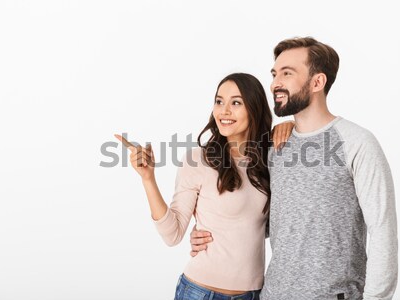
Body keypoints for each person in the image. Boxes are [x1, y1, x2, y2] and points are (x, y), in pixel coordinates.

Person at [190, 37, 398, 300]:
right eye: (275, 74)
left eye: (287, 73)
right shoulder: (274, 147)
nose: (276, 82)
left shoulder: (357, 143)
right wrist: (209, 233)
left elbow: (383, 231)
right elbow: (260, 222)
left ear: (317, 82)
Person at [116, 73, 293, 300]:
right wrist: (148, 178)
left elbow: (262, 226)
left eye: (236, 103)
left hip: (255, 294)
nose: (224, 111)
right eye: (219, 101)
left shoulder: (269, 160)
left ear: (255, 108)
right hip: (201, 293)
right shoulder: (198, 160)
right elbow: (173, 234)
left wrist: (291, 124)